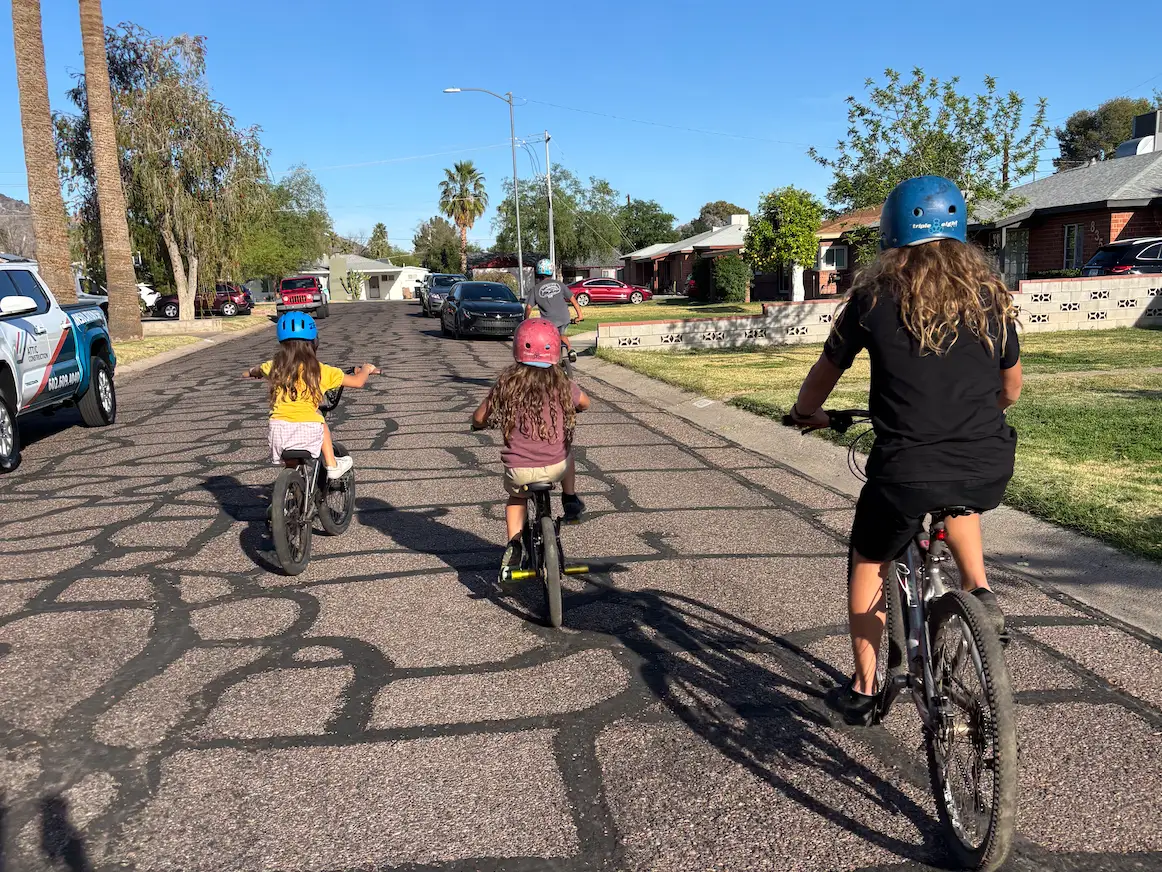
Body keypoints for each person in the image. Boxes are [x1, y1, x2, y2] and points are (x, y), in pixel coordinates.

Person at [788, 175, 1023, 726]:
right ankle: (981, 594)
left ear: (891, 232)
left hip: (905, 472)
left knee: (869, 557)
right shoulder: (990, 299)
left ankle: (867, 687)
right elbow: (1010, 388)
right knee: (959, 501)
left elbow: (821, 379)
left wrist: (807, 416)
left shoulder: (872, 298)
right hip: (987, 459)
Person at [472, 318, 590, 576]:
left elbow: (480, 417)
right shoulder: (561, 384)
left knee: (517, 499)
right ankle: (569, 498)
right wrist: (574, 405)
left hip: (520, 471)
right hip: (556, 467)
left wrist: (477, 424)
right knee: (567, 453)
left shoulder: (506, 385)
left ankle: (514, 544)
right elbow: (585, 403)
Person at [243, 312, 379, 479]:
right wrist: (366, 369)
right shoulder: (321, 371)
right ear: (314, 342)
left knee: (291, 466)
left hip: (278, 430)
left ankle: (291, 490)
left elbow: (255, 370)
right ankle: (332, 464)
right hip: (309, 429)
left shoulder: (273, 367)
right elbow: (358, 382)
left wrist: (250, 373)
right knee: (319, 419)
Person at [526, 258, 584, 363]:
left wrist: (526, 321)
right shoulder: (560, 285)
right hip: (564, 317)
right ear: (551, 271)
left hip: (548, 321)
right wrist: (579, 316)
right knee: (561, 335)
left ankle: (550, 359)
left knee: (549, 339)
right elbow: (573, 300)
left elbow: (529, 308)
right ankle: (570, 349)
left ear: (538, 272)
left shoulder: (535, 289)